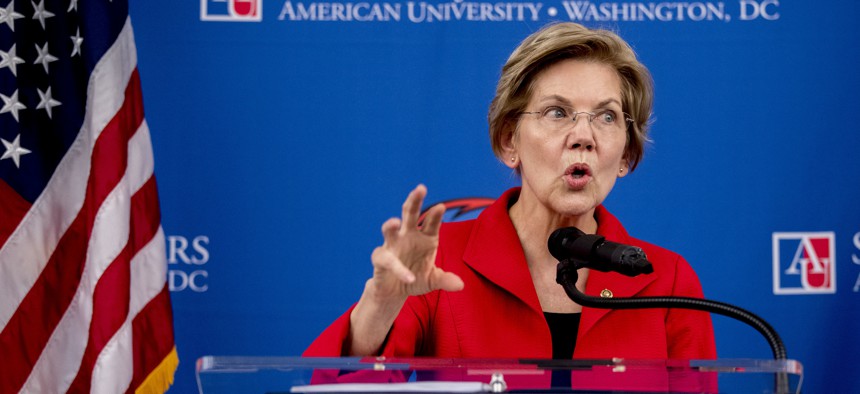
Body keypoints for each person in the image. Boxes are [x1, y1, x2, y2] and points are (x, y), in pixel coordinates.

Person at [305, 22, 716, 372]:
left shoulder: (666, 280)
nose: (584, 137)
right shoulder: (439, 262)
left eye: (607, 117)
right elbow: (337, 385)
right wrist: (380, 306)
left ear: (626, 153)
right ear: (508, 141)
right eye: (557, 112)